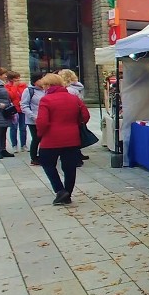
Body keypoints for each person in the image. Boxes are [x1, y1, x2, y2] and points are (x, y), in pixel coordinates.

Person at [36, 73, 90, 204]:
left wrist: (40, 134)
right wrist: (75, 125)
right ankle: (68, 193)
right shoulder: (73, 98)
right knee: (70, 167)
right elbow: (85, 115)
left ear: (48, 85)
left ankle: (60, 190)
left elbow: (42, 121)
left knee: (47, 163)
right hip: (72, 137)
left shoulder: (46, 100)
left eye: (44, 86)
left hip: (51, 138)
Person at [58, 69, 88, 161]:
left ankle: (75, 156)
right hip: (77, 114)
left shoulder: (69, 90)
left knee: (70, 137)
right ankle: (77, 154)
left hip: (70, 114)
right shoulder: (78, 87)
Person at [21, 73, 46, 166]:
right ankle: (34, 157)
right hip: (33, 120)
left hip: (44, 118)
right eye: (41, 79)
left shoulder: (46, 90)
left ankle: (43, 155)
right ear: (36, 81)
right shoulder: (29, 90)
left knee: (44, 138)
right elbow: (24, 105)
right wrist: (32, 116)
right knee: (36, 138)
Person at [4, 71, 28, 152]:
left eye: (18, 79)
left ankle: (23, 145)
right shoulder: (7, 87)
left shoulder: (23, 86)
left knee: (23, 127)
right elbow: (11, 96)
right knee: (13, 127)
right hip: (14, 109)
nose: (18, 81)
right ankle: (14, 145)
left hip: (22, 109)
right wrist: (14, 87)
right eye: (15, 80)